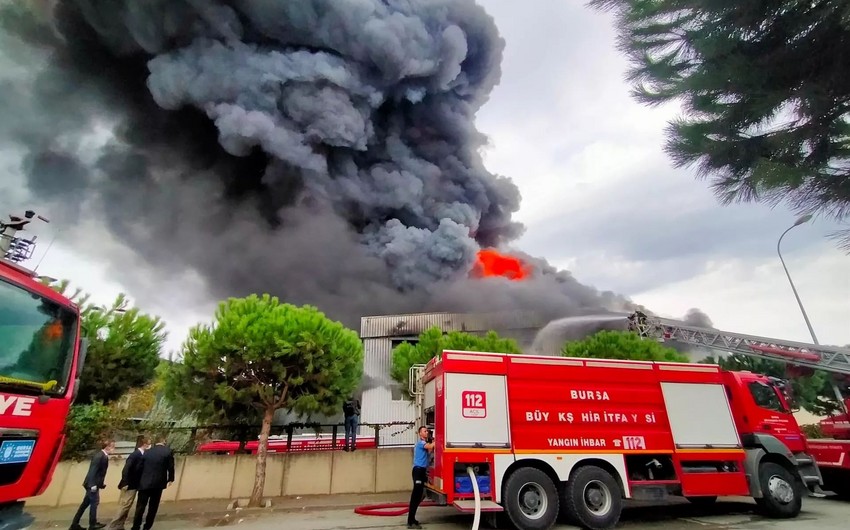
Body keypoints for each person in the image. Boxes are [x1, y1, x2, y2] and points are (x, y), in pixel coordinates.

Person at [131, 434, 175, 530]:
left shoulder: (147, 452)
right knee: (153, 507)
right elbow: (170, 467)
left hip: (144, 483)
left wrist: (138, 480)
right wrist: (171, 479)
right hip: (158, 484)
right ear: (164, 441)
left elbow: (139, 467)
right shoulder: (168, 452)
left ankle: (136, 526)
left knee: (140, 506)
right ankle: (147, 526)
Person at [70, 438, 115, 530]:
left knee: (85, 504)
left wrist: (100, 484)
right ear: (107, 447)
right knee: (94, 503)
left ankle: (74, 524)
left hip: (93, 484)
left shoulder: (103, 456)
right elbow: (93, 471)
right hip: (91, 484)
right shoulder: (100, 456)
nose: (114, 449)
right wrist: (92, 485)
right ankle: (92, 524)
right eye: (113, 447)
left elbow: (100, 473)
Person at [107, 435, 150, 530]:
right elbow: (126, 469)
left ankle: (119, 525)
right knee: (124, 505)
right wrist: (126, 483)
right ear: (145, 444)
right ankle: (113, 525)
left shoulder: (140, 455)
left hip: (133, 484)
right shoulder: (136, 455)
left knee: (127, 505)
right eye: (149, 444)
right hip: (130, 484)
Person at [407, 426, 434, 529]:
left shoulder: (425, 444)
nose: (426, 432)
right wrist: (439, 440)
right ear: (420, 433)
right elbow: (430, 446)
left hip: (422, 471)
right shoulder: (421, 443)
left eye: (427, 431)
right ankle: (410, 522)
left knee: (419, 496)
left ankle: (413, 519)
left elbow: (430, 452)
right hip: (417, 471)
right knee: (415, 496)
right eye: (424, 431)